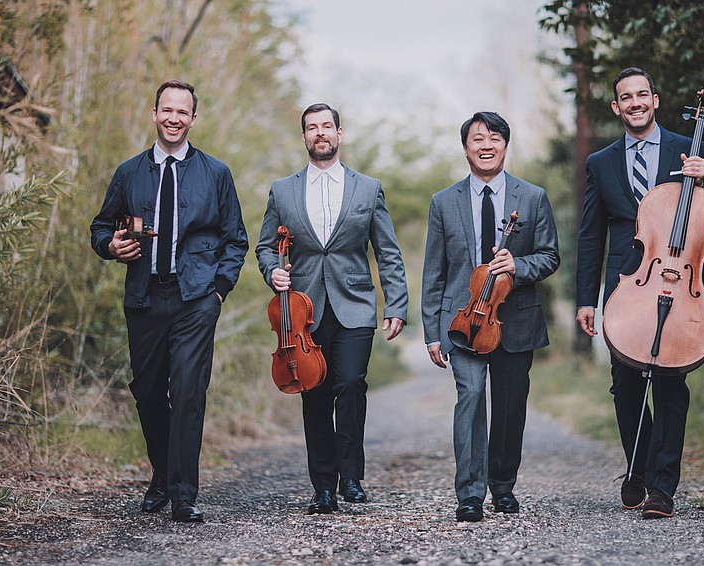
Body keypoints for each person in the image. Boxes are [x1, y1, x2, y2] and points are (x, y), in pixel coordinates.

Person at [90, 80, 248, 523]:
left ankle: (183, 493)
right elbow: (100, 228)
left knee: (189, 391)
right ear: (154, 113)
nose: (174, 117)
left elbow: (236, 240)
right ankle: (162, 472)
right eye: (167, 109)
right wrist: (110, 246)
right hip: (143, 297)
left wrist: (219, 290)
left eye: (183, 111)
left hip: (196, 298)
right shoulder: (129, 172)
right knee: (147, 392)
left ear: (193, 118)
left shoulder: (215, 173)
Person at [575, 67, 704, 519]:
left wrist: (703, 180)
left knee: (670, 383)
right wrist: (587, 298)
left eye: (643, 94)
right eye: (627, 97)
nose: (636, 102)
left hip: (679, 283)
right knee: (624, 385)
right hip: (627, 286)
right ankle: (636, 469)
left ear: (655, 100)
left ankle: (663, 487)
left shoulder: (687, 149)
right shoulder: (600, 162)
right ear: (616, 107)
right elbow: (590, 235)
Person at [256, 103, 408, 515]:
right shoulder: (282, 189)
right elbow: (266, 246)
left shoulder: (368, 188)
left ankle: (351, 476)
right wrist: (273, 272)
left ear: (340, 133)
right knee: (315, 394)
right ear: (303, 137)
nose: (319, 133)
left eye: (326, 126)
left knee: (351, 383)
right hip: (303, 310)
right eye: (311, 128)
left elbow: (388, 251)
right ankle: (323, 486)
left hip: (356, 303)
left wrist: (396, 303)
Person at [421, 111, 560, 522]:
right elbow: (434, 271)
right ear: (466, 148)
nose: (486, 145)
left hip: (514, 317)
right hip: (461, 322)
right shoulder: (443, 202)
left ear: (505, 145)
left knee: (510, 406)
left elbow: (550, 256)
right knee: (471, 396)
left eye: (495, 137)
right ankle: (469, 493)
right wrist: (432, 332)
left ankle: (502, 487)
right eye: (477, 139)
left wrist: (518, 266)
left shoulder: (532, 197)